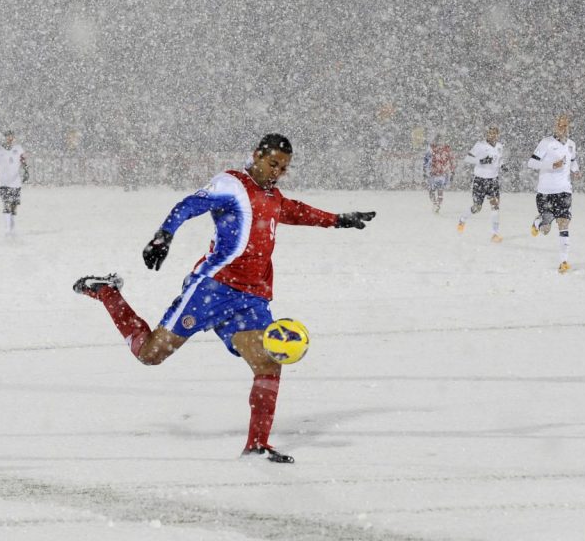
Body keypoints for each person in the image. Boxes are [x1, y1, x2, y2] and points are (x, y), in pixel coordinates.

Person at [72, 134, 376, 463]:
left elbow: (295, 211)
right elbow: (190, 204)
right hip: (212, 289)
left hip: (251, 298)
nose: (277, 172)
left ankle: (257, 446)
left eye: (284, 168)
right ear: (257, 156)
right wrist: (164, 235)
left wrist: (338, 220)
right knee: (150, 354)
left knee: (268, 363)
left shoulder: (273, 197)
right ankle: (106, 291)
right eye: (273, 163)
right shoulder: (231, 184)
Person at [528, 114, 579, 273]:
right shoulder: (546, 143)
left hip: (564, 191)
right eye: (560, 125)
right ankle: (538, 222)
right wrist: (551, 165)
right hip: (546, 192)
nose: (562, 128)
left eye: (565, 125)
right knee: (546, 229)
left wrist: (576, 170)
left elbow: (572, 161)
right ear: (555, 127)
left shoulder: (571, 144)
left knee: (564, 223)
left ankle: (564, 262)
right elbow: (532, 163)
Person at [457, 125, 505, 242]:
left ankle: (494, 234)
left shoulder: (499, 146)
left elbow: (499, 159)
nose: (492, 135)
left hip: (493, 180)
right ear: (486, 134)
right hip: (480, 180)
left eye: (494, 133)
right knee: (477, 208)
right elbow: (468, 158)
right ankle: (462, 219)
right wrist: (481, 161)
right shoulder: (480, 145)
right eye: (490, 133)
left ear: (497, 135)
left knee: (495, 205)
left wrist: (502, 165)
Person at [0, 130, 29, 236]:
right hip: (3, 182)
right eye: (8, 136)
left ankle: (12, 227)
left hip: (16, 182)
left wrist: (26, 171)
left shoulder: (18, 148)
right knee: (6, 204)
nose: (10, 138)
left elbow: (23, 161)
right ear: (4, 138)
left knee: (14, 206)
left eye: (11, 136)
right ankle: (7, 229)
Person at [423, 135, 456, 213]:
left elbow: (425, 161)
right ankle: (436, 204)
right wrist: (452, 171)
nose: (439, 143)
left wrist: (452, 171)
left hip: (439, 173)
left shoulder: (444, 149)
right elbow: (426, 161)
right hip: (436, 173)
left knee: (435, 190)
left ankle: (436, 204)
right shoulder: (433, 149)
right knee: (436, 190)